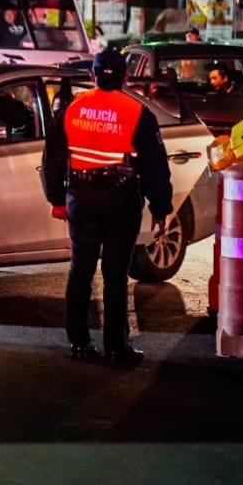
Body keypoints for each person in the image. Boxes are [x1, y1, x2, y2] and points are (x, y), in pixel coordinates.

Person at [42, 48, 172, 366]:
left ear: (93, 75)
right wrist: (160, 208)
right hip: (121, 199)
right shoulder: (138, 112)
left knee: (81, 270)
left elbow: (52, 158)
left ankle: (79, 343)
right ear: (125, 77)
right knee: (115, 274)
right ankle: (116, 347)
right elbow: (155, 166)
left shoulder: (72, 107)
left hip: (80, 196)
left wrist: (57, 199)